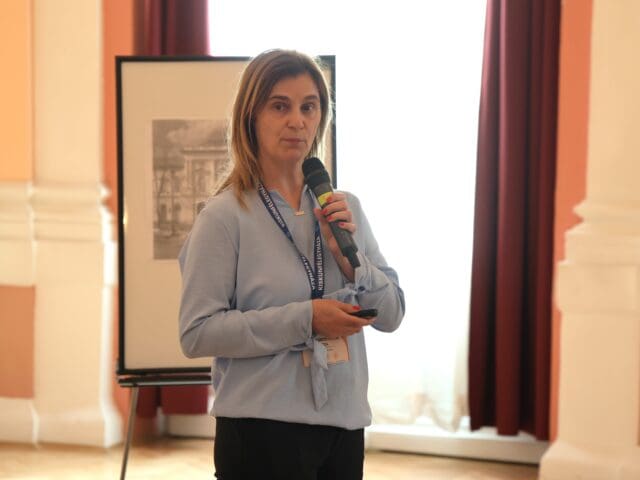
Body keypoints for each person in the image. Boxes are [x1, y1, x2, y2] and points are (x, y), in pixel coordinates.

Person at [178, 49, 405, 480]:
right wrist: (306, 319)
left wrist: (353, 265)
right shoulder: (224, 217)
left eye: (309, 107)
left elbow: (392, 315)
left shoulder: (344, 209)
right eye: (280, 106)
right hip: (261, 431)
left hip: (344, 425)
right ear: (251, 116)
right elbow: (197, 333)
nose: (297, 121)